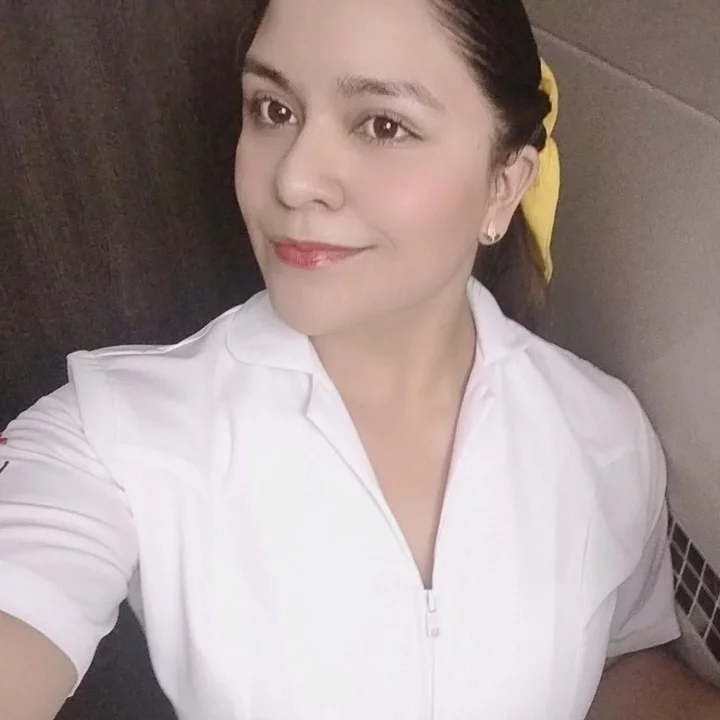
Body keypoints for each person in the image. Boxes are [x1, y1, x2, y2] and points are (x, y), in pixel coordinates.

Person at [1, 0, 719, 718]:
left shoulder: (604, 434)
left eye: (383, 125)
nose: (293, 179)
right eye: (274, 110)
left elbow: (620, 662)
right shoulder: (110, 434)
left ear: (503, 184)